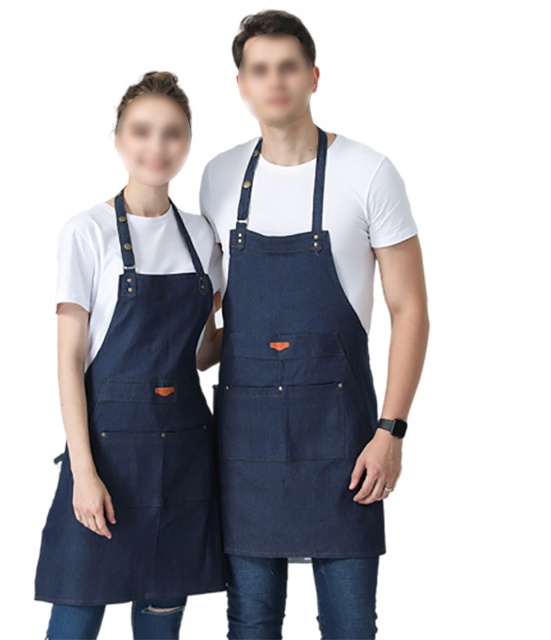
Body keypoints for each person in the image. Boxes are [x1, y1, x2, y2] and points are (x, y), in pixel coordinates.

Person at [199, 10, 429, 640]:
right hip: (244, 446)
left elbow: (411, 309)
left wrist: (391, 431)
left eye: (288, 67)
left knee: (351, 627)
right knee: (250, 625)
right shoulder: (219, 176)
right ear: (242, 85)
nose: (275, 81)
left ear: (313, 76)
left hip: (344, 442)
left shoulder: (369, 172)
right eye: (260, 69)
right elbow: (209, 312)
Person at [34, 71, 227, 640]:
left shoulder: (202, 235)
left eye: (172, 133)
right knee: (73, 621)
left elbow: (201, 353)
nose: (156, 146)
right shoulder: (86, 232)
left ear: (187, 142)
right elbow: (69, 360)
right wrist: (83, 472)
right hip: (107, 461)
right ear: (118, 138)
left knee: (161, 627)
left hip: (184, 461)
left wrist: (268, 330)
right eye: (142, 131)